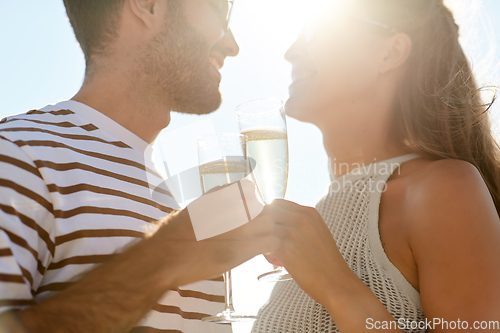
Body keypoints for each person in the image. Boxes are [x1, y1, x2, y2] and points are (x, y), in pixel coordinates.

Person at [0, 0, 278, 332]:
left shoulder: (171, 195)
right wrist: (163, 258)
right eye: (220, 8)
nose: (232, 46)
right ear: (147, 5)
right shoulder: (18, 154)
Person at [251, 0, 500, 332]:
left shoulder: (442, 189)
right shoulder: (319, 220)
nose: (291, 52)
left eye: (314, 32)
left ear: (390, 52)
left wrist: (337, 287)